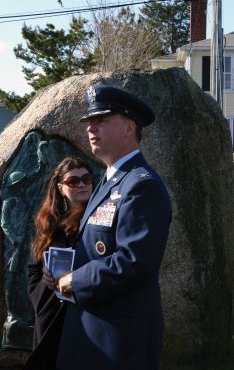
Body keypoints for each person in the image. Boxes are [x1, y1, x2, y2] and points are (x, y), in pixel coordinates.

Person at [53, 84, 172, 370]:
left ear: (129, 127)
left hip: (118, 340)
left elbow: (134, 261)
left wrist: (75, 281)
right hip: (91, 330)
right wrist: (60, 271)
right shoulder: (109, 180)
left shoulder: (141, 186)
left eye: (101, 120)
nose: (91, 128)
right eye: (89, 123)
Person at [24, 156, 94, 369]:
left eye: (87, 179)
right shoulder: (49, 221)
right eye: (73, 181)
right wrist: (44, 282)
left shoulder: (100, 217)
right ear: (61, 187)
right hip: (51, 311)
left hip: (83, 312)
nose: (82, 184)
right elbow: (33, 269)